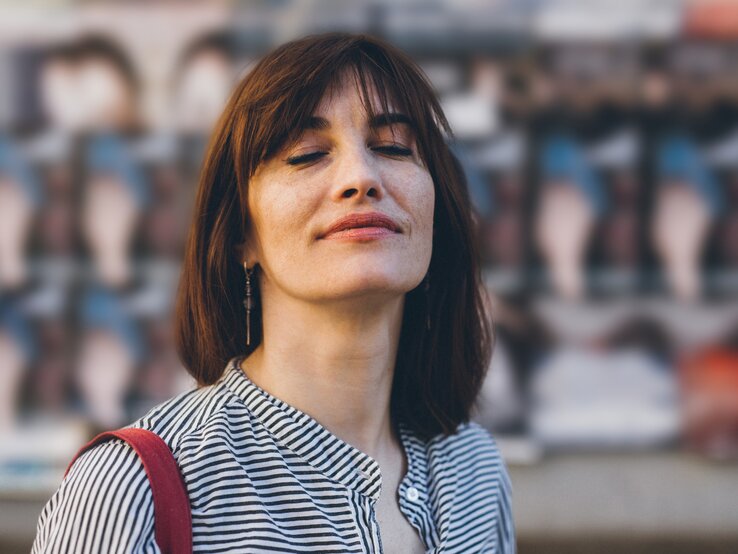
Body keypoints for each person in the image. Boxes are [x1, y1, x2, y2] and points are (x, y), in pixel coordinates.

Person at [32, 32, 515, 553]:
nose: (361, 177)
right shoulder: (129, 491)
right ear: (242, 233)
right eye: (306, 154)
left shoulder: (475, 471)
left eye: (394, 146)